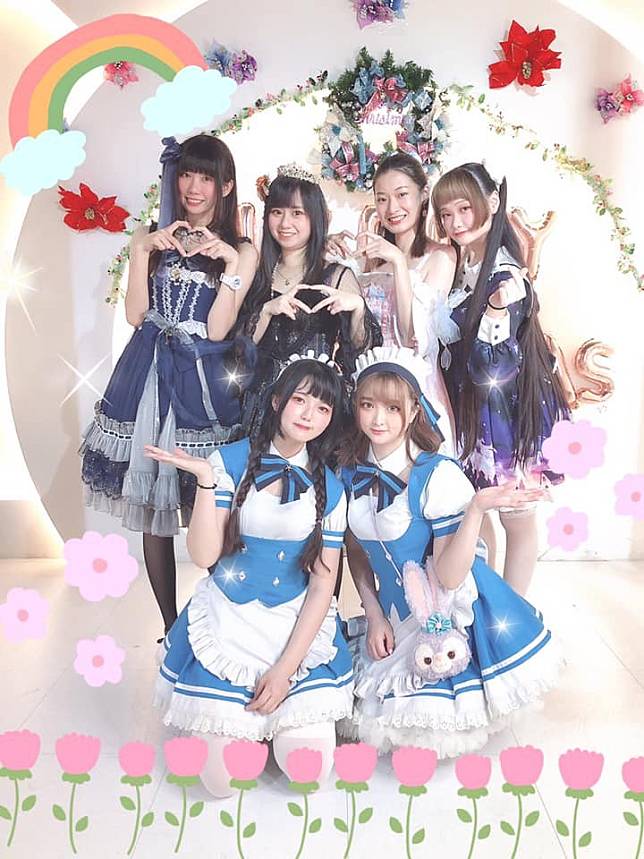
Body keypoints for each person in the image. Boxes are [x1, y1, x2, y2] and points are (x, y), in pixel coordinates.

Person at [341, 347, 562, 758]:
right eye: (367, 405)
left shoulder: (437, 475)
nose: (378, 419)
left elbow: (448, 578)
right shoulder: (349, 472)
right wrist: (372, 614)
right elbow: (354, 549)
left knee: (425, 735)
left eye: (392, 407)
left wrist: (476, 509)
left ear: (414, 410)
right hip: (389, 615)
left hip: (440, 612)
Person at [147, 358, 353, 796]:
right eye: (300, 400)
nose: (308, 415)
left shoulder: (332, 488)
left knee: (308, 772)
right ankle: (245, 726)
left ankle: (273, 721)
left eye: (322, 408)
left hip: (292, 626)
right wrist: (206, 482)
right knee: (222, 782)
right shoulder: (228, 461)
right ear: (277, 401)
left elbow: (322, 586)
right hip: (229, 621)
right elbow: (204, 556)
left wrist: (284, 671)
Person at [80, 134, 258, 637]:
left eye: (206, 178)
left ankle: (217, 622)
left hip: (201, 378)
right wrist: (142, 251)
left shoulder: (242, 250)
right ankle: (171, 626)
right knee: (152, 504)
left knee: (212, 502)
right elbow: (136, 314)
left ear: (226, 186)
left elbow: (219, 330)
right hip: (148, 373)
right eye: (187, 175)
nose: (194, 187)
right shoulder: (151, 236)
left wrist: (229, 265)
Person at [431, 162, 570, 594]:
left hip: (507, 414)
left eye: (464, 209)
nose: (456, 222)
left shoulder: (506, 276)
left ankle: (514, 611)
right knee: (477, 511)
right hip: (471, 410)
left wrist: (493, 310)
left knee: (517, 519)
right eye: (446, 214)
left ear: (492, 202)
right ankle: (486, 603)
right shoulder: (464, 263)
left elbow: (495, 364)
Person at [327, 152, 456, 452]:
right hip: (369, 393)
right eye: (382, 199)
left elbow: (415, 339)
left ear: (423, 195)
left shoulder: (441, 257)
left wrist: (399, 262)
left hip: (413, 394)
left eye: (401, 195)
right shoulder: (369, 262)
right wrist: (326, 248)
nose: (392, 208)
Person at [238, 164, 382, 432]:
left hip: (312, 412)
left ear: (315, 217)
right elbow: (240, 352)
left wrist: (358, 309)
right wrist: (267, 311)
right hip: (260, 409)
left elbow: (362, 355)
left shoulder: (335, 275)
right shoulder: (257, 275)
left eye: (297, 213)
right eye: (277, 212)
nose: (285, 223)